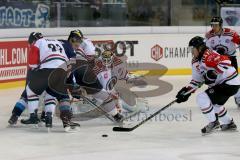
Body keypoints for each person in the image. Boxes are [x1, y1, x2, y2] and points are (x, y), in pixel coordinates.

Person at [176, 36, 240, 135]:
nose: (192, 52)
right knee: (215, 105)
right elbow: (197, 80)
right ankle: (229, 123)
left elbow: (226, 62)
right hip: (226, 84)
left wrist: (213, 73)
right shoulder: (195, 61)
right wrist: (186, 92)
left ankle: (214, 122)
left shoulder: (208, 55)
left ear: (200, 48)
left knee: (202, 98)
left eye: (193, 49)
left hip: (229, 82)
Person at [205, 16, 240, 107]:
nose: (214, 27)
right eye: (212, 25)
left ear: (220, 25)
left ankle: (238, 98)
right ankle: (213, 97)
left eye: (216, 25)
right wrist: (215, 53)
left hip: (231, 59)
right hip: (217, 60)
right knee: (215, 79)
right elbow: (207, 50)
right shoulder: (209, 35)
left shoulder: (231, 33)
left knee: (234, 80)